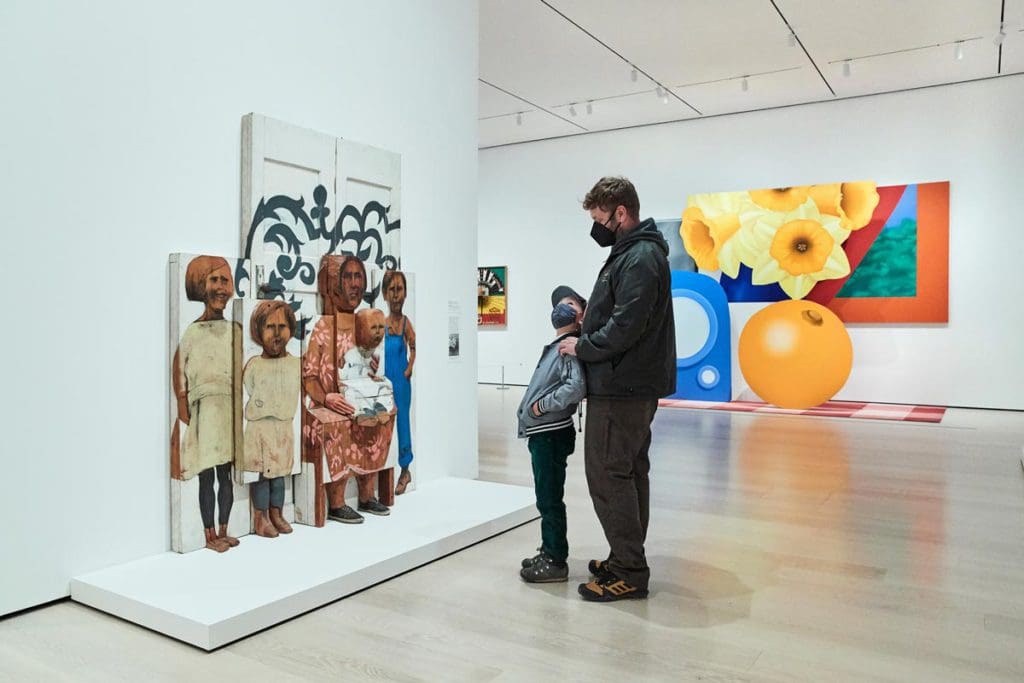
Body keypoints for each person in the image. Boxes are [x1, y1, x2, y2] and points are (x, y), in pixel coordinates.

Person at [559, 176, 676, 601]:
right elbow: (626, 314)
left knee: (608, 474)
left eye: (599, 218)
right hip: (629, 383)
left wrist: (584, 344)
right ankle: (625, 554)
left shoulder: (640, 257)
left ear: (620, 213)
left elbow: (628, 324)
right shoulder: (635, 253)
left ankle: (629, 568)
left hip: (623, 385)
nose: (597, 226)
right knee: (628, 472)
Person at [302, 255, 392, 524]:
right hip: (327, 403)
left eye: (358, 277)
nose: (354, 284)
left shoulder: (365, 322)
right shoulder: (322, 327)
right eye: (348, 277)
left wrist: (374, 377)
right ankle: (337, 502)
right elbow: (309, 376)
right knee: (338, 424)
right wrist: (328, 397)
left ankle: (366, 495)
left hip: (359, 397)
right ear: (333, 285)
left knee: (380, 418)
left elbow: (371, 365)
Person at [518, 286, 587, 583]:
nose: (561, 307)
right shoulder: (559, 344)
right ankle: (549, 550)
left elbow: (575, 387)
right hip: (544, 432)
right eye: (559, 303)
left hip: (551, 431)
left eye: (569, 303)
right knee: (545, 496)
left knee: (549, 498)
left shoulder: (569, 347)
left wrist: (539, 407)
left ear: (581, 314)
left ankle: (555, 560)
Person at [172, 255, 240, 553]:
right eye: (214, 280)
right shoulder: (191, 333)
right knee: (205, 477)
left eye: (225, 280)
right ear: (201, 285)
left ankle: (224, 529)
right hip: (204, 414)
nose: (220, 287)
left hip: (228, 413)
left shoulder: (234, 331)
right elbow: (179, 375)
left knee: (226, 475)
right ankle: (209, 534)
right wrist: (184, 407)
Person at [243, 299, 301, 539]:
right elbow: (250, 386)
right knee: (262, 477)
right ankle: (261, 516)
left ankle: (277, 513)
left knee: (279, 476)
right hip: (260, 428)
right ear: (259, 330)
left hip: (283, 427)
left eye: (282, 326)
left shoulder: (295, 363)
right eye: (269, 327)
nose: (276, 334)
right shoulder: (255, 365)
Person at [381, 270, 417, 494]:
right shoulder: (381, 323)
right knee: (383, 423)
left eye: (400, 289)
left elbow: (414, 346)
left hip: (401, 382)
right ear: (385, 294)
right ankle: (383, 469)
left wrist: (409, 368)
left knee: (402, 423)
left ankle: (405, 470)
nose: (396, 295)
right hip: (384, 381)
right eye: (392, 290)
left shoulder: (405, 323)